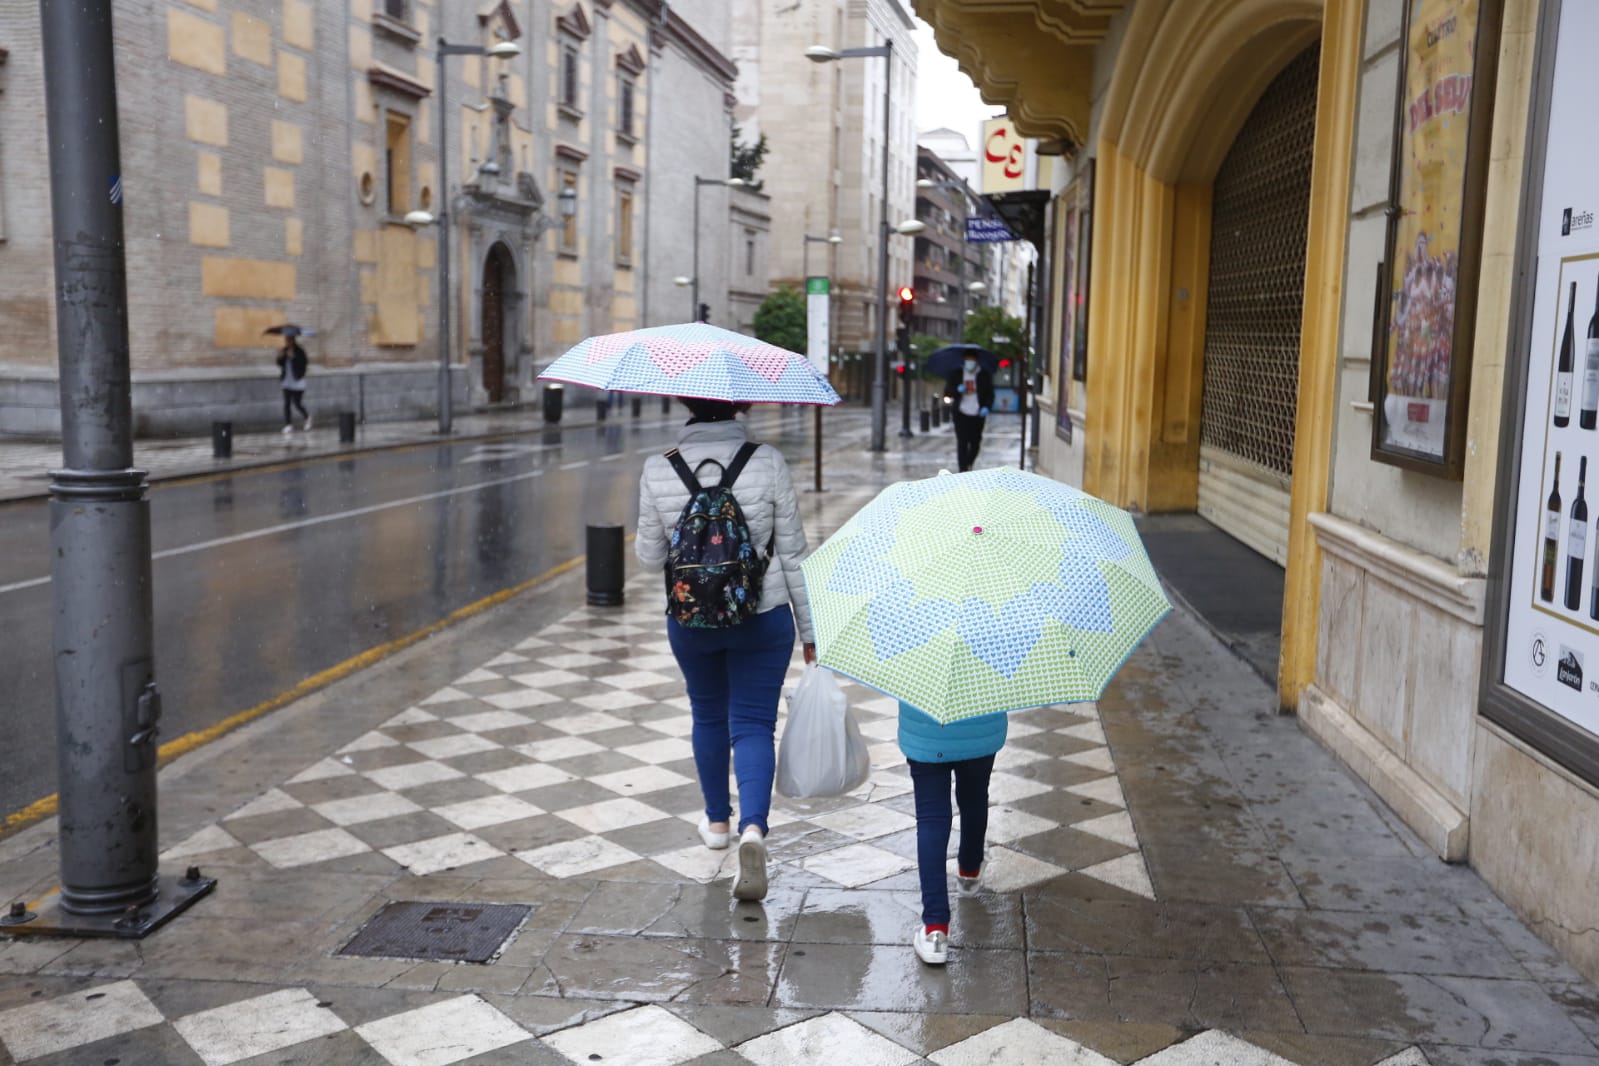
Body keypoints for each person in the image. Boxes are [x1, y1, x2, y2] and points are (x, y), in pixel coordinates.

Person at [636, 397, 816, 902]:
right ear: (739, 404)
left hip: (692, 618)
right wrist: (810, 632)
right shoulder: (767, 460)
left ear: (684, 402)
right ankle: (753, 830)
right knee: (754, 723)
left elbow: (650, 559)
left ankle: (717, 823)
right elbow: (795, 553)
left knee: (708, 715)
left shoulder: (659, 467)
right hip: (765, 614)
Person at [898, 698, 1007, 965]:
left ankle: (935, 929)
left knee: (931, 820)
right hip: (980, 725)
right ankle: (969, 872)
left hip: (925, 729)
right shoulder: (995, 651)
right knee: (974, 798)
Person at [944, 356, 994, 472]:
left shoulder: (984, 375)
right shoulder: (956, 374)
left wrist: (986, 407)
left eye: (971, 360)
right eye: (967, 360)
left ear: (976, 361)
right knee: (962, 441)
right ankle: (963, 469)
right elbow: (948, 392)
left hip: (977, 414)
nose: (969, 362)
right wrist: (957, 390)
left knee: (975, 441)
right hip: (961, 413)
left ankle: (969, 462)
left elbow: (990, 394)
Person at [277, 338, 311, 433]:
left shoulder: (300, 351)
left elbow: (304, 363)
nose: (287, 342)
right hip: (286, 381)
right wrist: (280, 357)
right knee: (286, 404)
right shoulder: (284, 350)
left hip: (297, 381)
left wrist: (293, 357)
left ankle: (307, 417)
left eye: (289, 340)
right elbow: (280, 363)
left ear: (293, 340)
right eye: (286, 340)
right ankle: (288, 425)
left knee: (297, 404)